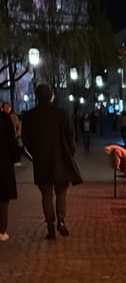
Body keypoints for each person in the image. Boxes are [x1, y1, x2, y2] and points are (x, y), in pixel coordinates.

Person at [21, 84, 83, 239]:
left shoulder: (29, 116)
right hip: (61, 158)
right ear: (51, 96)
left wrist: (35, 155)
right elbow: (70, 136)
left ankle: (50, 226)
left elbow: (25, 141)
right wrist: (69, 152)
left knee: (46, 194)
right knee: (61, 192)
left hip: (41, 161)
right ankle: (61, 220)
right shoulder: (61, 114)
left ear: (37, 96)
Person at [0, 107, 19, 241]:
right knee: (2, 198)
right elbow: (11, 140)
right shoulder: (4, 118)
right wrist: (15, 158)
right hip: (3, 162)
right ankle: (2, 230)